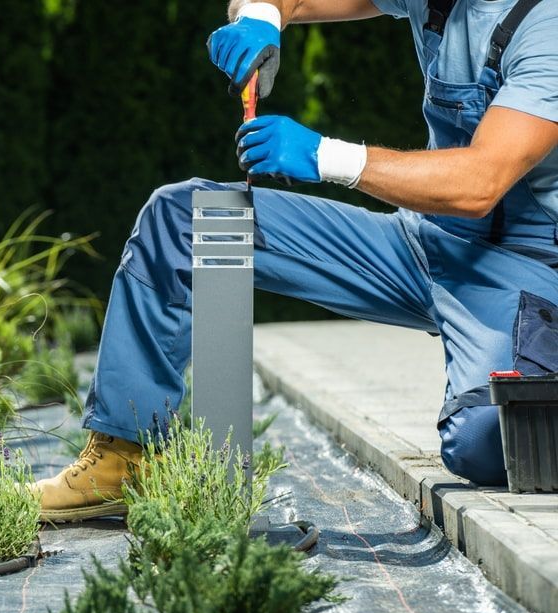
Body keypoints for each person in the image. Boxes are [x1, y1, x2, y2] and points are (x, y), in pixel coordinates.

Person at [31, 0, 558, 522]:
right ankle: (123, 460)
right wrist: (262, 16)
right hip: (423, 245)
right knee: (186, 219)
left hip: (520, 266)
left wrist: (325, 155)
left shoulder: (546, 24)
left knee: (488, 442)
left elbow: (479, 183)